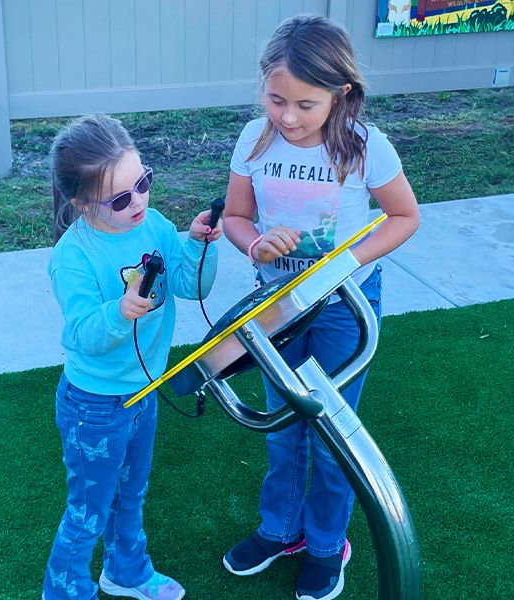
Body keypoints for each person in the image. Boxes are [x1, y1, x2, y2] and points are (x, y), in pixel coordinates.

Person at [221, 15, 419, 600]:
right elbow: (236, 217)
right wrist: (255, 243)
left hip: (343, 308)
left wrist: (343, 264)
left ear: (343, 94)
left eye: (305, 104)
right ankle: (280, 531)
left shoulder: (365, 146)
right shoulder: (254, 139)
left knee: (332, 432)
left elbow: (404, 217)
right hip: (275, 309)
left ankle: (328, 545)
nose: (287, 116)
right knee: (282, 429)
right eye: (276, 99)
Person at [43, 113, 221, 600]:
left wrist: (197, 245)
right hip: (93, 405)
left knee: (130, 495)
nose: (138, 202)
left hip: (144, 391)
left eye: (142, 183)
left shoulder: (154, 225)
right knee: (87, 512)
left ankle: (126, 571)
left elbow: (189, 285)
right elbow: (81, 334)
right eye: (120, 198)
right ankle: (64, 592)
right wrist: (120, 312)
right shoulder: (73, 255)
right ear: (81, 201)